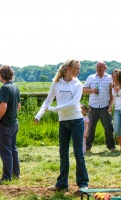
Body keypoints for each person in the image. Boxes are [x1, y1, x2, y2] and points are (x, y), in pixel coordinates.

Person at [35, 59, 89, 191]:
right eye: (77, 68)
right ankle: (62, 184)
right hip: (63, 122)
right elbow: (47, 101)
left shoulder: (78, 84)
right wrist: (39, 115)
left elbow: (73, 103)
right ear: (69, 68)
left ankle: (83, 184)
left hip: (76, 121)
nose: (79, 71)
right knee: (63, 153)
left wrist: (54, 109)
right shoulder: (56, 83)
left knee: (78, 153)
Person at [83, 61, 115, 152]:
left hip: (105, 106)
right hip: (93, 106)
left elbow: (112, 93)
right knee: (90, 128)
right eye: (97, 67)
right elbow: (83, 90)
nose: (98, 69)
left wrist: (110, 105)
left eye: (101, 67)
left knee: (108, 128)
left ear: (105, 68)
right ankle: (88, 147)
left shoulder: (110, 78)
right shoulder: (91, 77)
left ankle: (111, 146)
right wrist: (92, 90)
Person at [0, 65, 21, 184]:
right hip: (14, 123)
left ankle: (6, 177)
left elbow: (3, 107)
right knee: (13, 150)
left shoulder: (4, 88)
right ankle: (15, 174)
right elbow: (18, 106)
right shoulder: (15, 87)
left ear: (1, 75)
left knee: (5, 151)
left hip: (6, 125)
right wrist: (12, 115)